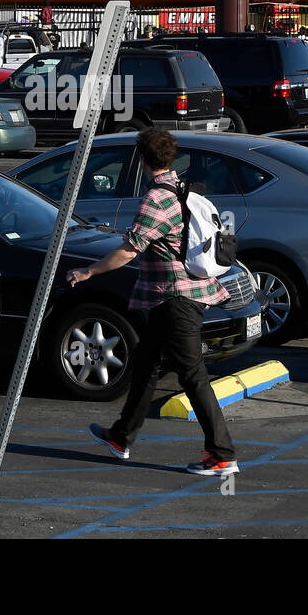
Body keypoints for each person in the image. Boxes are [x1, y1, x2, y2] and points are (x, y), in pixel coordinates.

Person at [72, 128, 239, 478]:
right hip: (179, 295)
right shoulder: (183, 189)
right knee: (147, 364)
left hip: (177, 298)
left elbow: (130, 249)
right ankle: (121, 437)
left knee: (192, 375)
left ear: (142, 160)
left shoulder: (156, 199)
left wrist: (90, 271)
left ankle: (222, 454)